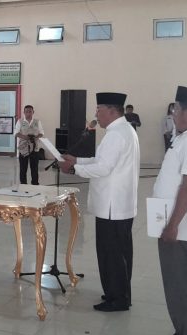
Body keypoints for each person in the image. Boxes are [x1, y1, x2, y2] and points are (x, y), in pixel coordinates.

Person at [59, 92, 139, 312]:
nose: (96, 114)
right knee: (119, 253)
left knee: (111, 253)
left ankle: (118, 299)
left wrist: (74, 168)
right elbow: (102, 161)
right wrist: (78, 160)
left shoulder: (116, 134)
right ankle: (118, 293)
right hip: (119, 204)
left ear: (112, 111)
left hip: (112, 206)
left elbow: (103, 168)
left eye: (99, 110)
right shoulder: (123, 130)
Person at [152, 86, 187, 335]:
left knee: (184, 284)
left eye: (176, 109)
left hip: (184, 226)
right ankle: (183, 331)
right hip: (178, 222)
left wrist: (172, 225)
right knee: (180, 282)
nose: (173, 113)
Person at [14, 105, 44, 185]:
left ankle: (35, 184)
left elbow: (41, 133)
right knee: (23, 169)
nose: (28, 113)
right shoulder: (20, 121)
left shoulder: (37, 121)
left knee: (34, 168)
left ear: (33, 112)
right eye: (26, 111)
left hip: (35, 149)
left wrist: (35, 137)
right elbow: (16, 133)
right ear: (24, 112)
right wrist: (25, 137)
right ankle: (23, 185)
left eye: (30, 111)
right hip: (23, 149)